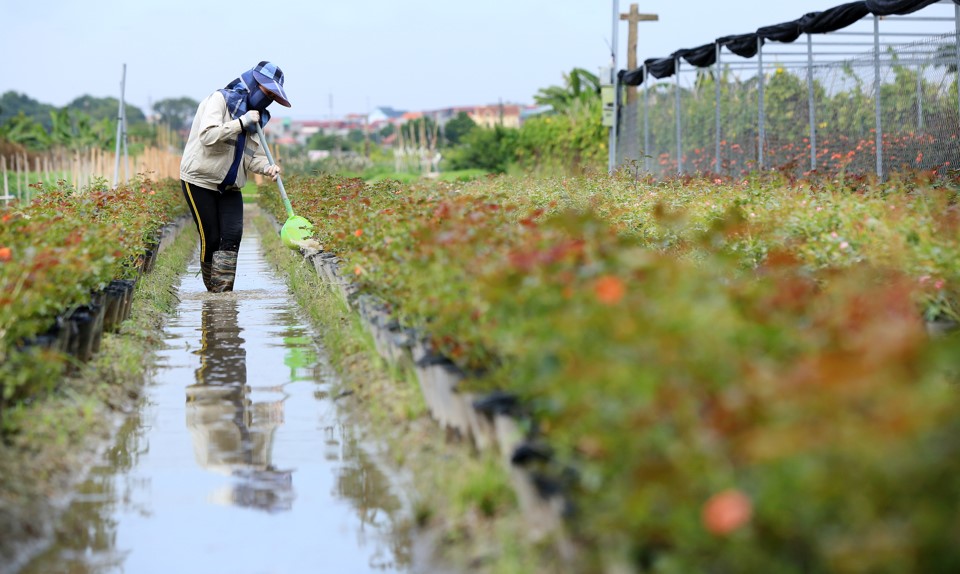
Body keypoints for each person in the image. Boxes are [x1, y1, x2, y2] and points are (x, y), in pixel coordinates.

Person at [180, 61, 291, 292]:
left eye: (272, 95)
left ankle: (223, 295)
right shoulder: (220, 100)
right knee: (211, 238)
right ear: (252, 83)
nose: (267, 98)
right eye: (266, 91)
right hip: (200, 180)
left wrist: (268, 167)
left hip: (230, 186)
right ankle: (213, 292)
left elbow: (253, 158)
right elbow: (207, 136)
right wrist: (240, 123)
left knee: (232, 237)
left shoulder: (257, 118)